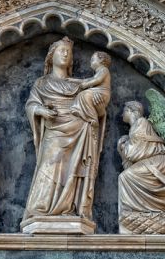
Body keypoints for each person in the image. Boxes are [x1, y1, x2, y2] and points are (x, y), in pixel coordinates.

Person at [21, 38, 110, 227]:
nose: (65, 54)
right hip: (54, 128)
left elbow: (99, 104)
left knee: (75, 168)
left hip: (80, 128)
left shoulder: (80, 83)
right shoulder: (42, 83)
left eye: (68, 52)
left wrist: (93, 112)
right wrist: (41, 111)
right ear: (51, 57)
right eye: (61, 50)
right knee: (49, 163)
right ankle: (41, 209)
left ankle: (70, 208)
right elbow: (31, 104)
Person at [117, 101, 165, 215]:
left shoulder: (141, 123)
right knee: (125, 177)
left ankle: (140, 211)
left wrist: (124, 146)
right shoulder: (135, 128)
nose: (122, 115)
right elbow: (132, 158)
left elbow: (134, 154)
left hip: (158, 163)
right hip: (151, 163)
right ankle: (139, 212)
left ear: (132, 111)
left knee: (124, 177)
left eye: (124, 111)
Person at [70, 51, 111, 124]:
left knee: (84, 95)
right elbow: (86, 80)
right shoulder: (98, 72)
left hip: (102, 93)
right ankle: (80, 111)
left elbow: (97, 80)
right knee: (82, 95)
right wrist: (73, 80)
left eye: (92, 59)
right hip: (97, 92)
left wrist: (86, 85)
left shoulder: (104, 70)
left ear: (101, 60)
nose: (90, 62)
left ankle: (92, 117)